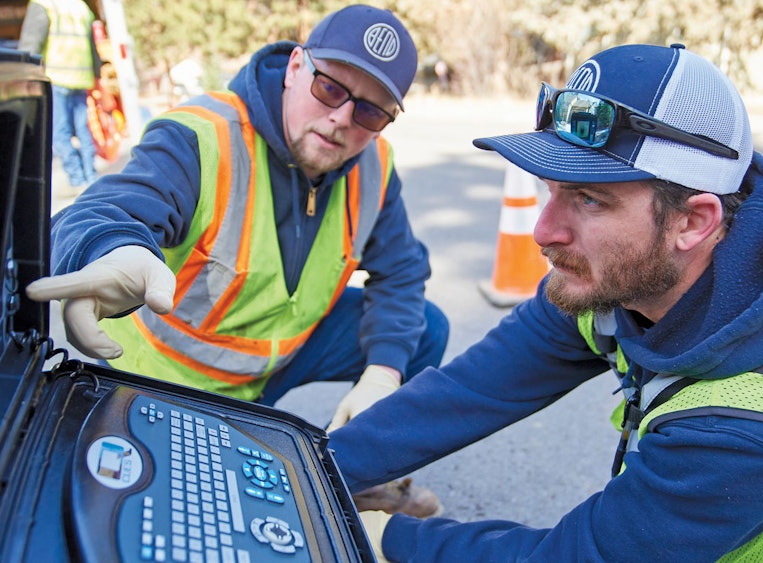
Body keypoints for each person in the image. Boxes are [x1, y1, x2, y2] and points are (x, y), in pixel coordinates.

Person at [330, 43, 763, 561]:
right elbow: (473, 391)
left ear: (693, 220)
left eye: (589, 199)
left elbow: (586, 555)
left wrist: (384, 541)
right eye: (552, 189)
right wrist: (315, 471)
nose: (544, 230)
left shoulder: (761, 421)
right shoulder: (626, 273)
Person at [25, 4, 449, 518]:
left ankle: (353, 479)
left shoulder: (373, 167)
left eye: (370, 112)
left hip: (277, 358)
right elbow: (110, 206)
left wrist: (383, 373)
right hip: (173, 382)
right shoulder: (204, 135)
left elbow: (402, 271)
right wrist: (112, 247)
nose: (341, 119)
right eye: (331, 89)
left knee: (422, 331)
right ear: (296, 67)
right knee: (178, 520)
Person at [17, 0, 101, 192]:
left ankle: (78, 180)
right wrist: (96, 76)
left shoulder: (44, 4)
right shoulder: (80, 6)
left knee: (59, 133)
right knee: (83, 131)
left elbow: (30, 46)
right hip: (80, 78)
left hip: (55, 80)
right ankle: (91, 176)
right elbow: (93, 47)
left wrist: (24, 78)